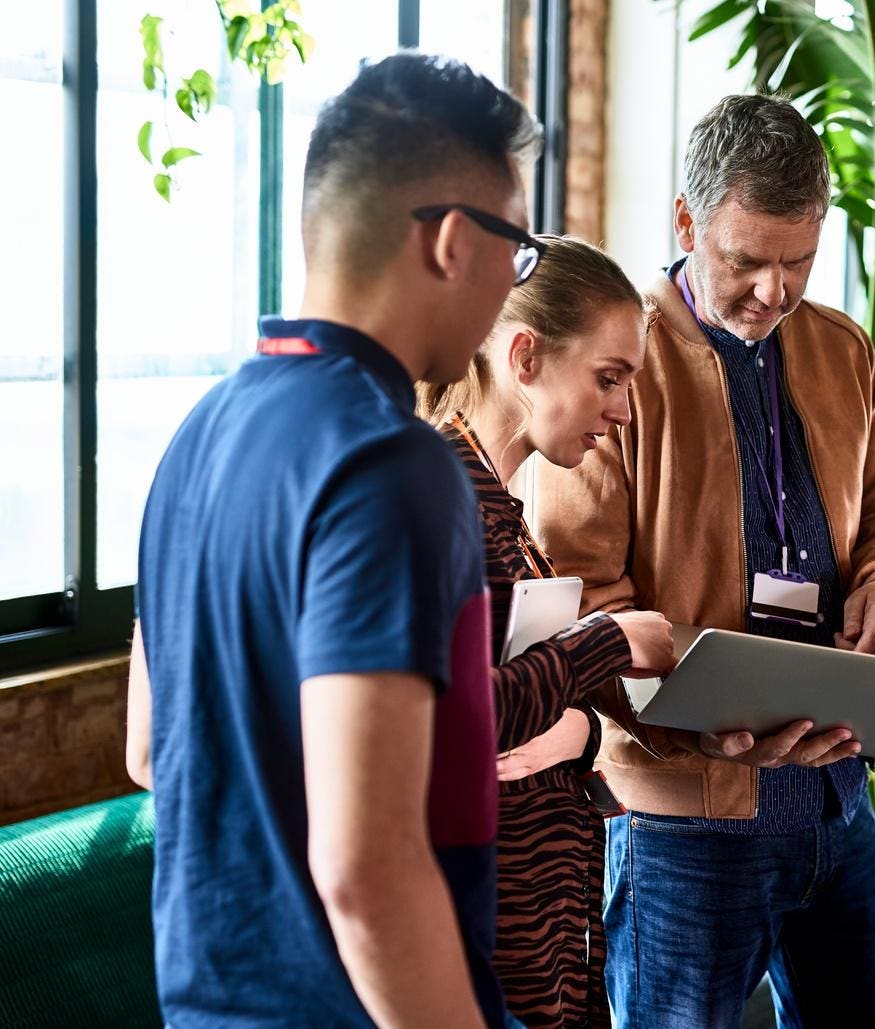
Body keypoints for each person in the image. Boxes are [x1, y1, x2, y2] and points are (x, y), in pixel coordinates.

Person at [127, 53, 546, 1027]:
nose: (512, 284)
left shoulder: (196, 435)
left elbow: (151, 749)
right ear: (450, 241)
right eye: (516, 248)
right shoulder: (392, 465)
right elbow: (367, 868)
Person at [537, 93, 875, 1028]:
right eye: (746, 260)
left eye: (798, 261)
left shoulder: (844, 350)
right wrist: (687, 729)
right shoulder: (618, 362)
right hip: (685, 822)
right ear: (686, 222)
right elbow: (579, 596)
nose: (774, 291)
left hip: (835, 797)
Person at [418, 235, 673, 1028]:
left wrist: (579, 730)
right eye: (608, 378)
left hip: (551, 954)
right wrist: (612, 640)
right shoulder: (438, 495)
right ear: (524, 357)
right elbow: (459, 722)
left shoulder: (504, 508)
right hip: (489, 962)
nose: (623, 410)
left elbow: (535, 720)